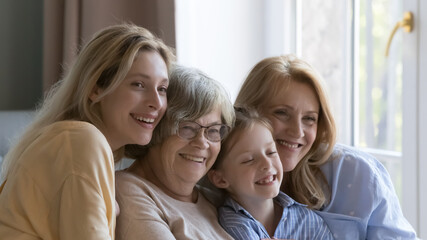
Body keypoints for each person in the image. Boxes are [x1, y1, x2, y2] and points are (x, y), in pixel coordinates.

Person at [0, 23, 175, 239]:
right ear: (95, 88)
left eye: (162, 89)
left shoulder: (74, 141)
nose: (156, 103)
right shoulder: (81, 141)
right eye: (138, 84)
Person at [232, 54, 418, 239]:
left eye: (309, 119)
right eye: (282, 113)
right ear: (248, 114)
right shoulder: (220, 178)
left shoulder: (358, 174)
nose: (297, 132)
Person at [115, 65, 235, 240]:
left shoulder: (217, 199)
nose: (202, 142)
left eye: (213, 130)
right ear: (156, 127)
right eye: (187, 127)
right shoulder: (127, 189)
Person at [208, 106, 334, 239]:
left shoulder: (308, 221)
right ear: (220, 179)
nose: (267, 164)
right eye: (249, 160)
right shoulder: (232, 226)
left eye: (271, 152)